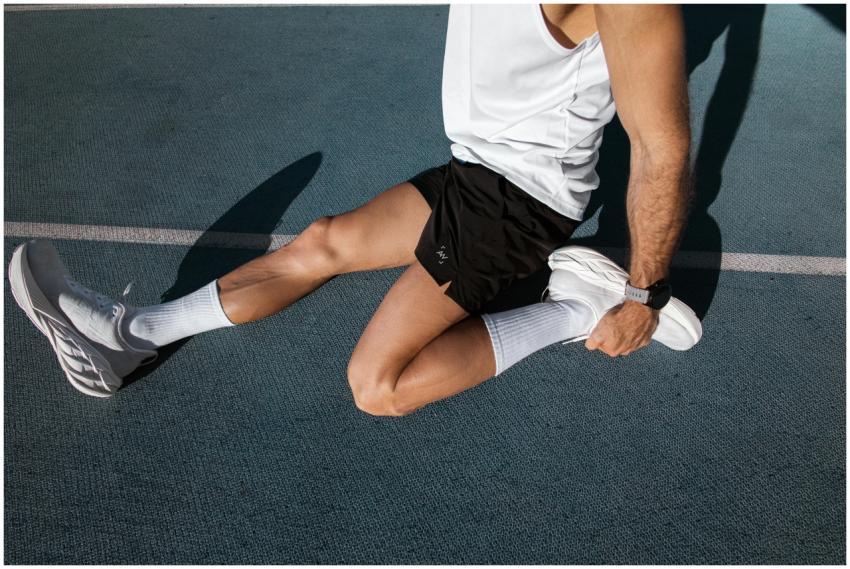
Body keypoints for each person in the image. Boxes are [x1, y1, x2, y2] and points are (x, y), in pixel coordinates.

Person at [9, 4, 701, 414]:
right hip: (476, 166)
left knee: (378, 386)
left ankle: (579, 307)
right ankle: (130, 336)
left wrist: (644, 292)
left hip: (520, 201)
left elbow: (660, 147)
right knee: (323, 242)